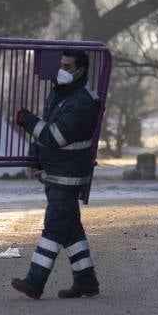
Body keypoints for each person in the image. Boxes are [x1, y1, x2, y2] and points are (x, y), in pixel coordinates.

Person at [10, 49, 100, 300]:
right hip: (56, 171)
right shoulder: (61, 93)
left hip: (67, 175)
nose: (62, 70)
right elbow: (47, 133)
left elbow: (55, 136)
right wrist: (37, 157)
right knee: (71, 231)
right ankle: (86, 281)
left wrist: (28, 121)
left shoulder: (83, 102)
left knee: (53, 229)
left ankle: (34, 282)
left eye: (68, 66)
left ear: (81, 70)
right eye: (61, 65)